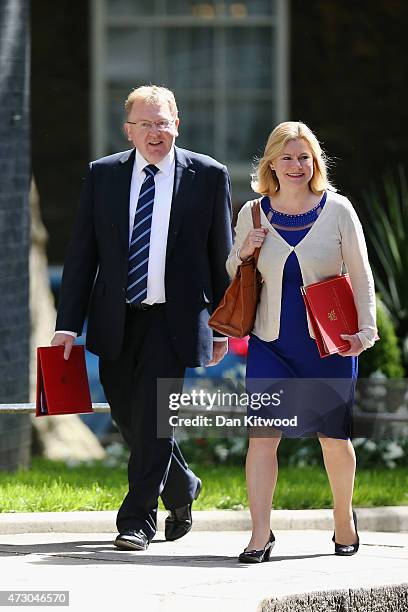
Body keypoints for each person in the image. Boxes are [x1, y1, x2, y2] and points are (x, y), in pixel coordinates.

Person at [52, 85, 232, 551]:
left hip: (172, 321)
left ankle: (137, 521)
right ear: (128, 130)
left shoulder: (208, 176)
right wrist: (66, 325)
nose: (156, 132)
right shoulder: (103, 174)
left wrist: (223, 324)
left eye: (164, 122)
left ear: (178, 124)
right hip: (115, 317)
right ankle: (181, 486)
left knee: (155, 420)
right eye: (146, 123)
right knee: (130, 419)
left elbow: (221, 258)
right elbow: (81, 254)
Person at [226, 121, 377, 563]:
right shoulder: (252, 213)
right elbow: (235, 273)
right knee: (262, 439)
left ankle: (344, 520)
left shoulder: (339, 210)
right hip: (270, 343)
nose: (296, 165)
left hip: (328, 343)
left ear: (315, 163)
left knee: (333, 438)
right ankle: (259, 534)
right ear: (271, 162)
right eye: (287, 157)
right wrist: (245, 251)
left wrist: (366, 331)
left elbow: (361, 273)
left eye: (304, 157)